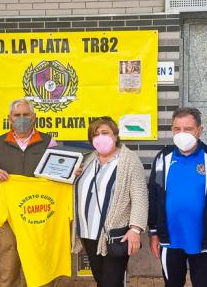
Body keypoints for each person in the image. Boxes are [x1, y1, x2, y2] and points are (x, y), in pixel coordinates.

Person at [147, 108, 207, 287]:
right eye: (177, 129)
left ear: (199, 130)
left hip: (204, 241)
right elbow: (154, 196)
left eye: (188, 129)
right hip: (170, 240)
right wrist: (154, 232)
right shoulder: (163, 158)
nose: (181, 134)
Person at [0, 99, 57, 287]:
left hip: (40, 214)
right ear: (10, 118)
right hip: (10, 215)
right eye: (17, 115)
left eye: (26, 115)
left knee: (39, 262)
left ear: (34, 117)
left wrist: (71, 173)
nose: (21, 119)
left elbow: (57, 175)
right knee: (10, 261)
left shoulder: (49, 142)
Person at [73, 116, 148, 287]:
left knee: (111, 282)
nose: (100, 137)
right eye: (95, 134)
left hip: (115, 234)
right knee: (100, 279)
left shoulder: (129, 160)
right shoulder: (86, 160)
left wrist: (135, 229)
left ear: (115, 135)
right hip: (89, 233)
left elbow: (140, 197)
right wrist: (72, 176)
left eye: (104, 132)